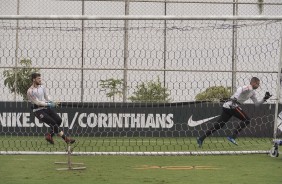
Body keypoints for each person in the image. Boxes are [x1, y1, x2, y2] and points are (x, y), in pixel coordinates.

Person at [197, 77, 272, 148]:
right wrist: (235, 98)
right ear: (253, 83)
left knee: (219, 125)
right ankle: (232, 137)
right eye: (258, 84)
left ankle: (201, 138)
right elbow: (240, 89)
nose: (258, 85)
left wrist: (264, 98)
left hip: (228, 106)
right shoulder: (249, 87)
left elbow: (257, 104)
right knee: (247, 120)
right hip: (232, 105)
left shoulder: (252, 92)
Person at [27, 73, 75, 145]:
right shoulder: (30, 91)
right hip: (38, 111)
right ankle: (66, 139)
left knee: (59, 120)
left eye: (40, 78)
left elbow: (46, 97)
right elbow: (38, 103)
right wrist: (49, 104)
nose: (40, 80)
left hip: (46, 108)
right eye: (38, 78)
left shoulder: (42, 87)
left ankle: (49, 135)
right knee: (53, 123)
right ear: (34, 79)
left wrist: (53, 102)